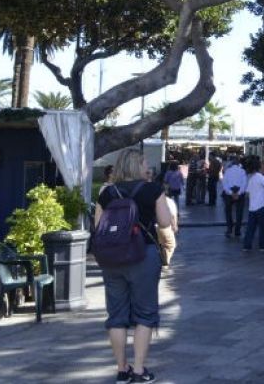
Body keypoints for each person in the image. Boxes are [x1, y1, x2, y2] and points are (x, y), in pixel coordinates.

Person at [95, 148, 172, 384]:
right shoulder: (152, 190)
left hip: (112, 258)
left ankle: (122, 370)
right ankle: (139, 370)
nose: (147, 167)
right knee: (145, 313)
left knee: (116, 315)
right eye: (144, 163)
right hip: (143, 255)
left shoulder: (107, 193)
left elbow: (98, 227)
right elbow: (165, 222)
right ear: (138, 166)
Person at [243, 160, 264, 252]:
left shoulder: (251, 178)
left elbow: (247, 194)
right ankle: (263, 246)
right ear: (260, 168)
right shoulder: (260, 177)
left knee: (250, 228)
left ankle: (247, 246)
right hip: (261, 206)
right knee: (263, 228)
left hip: (252, 207)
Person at [221, 157, 248, 238]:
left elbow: (224, 183)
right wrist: (238, 193)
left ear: (232, 163)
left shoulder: (227, 171)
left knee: (228, 211)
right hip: (240, 192)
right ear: (238, 163)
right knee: (239, 212)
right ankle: (237, 230)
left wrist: (230, 193)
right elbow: (244, 183)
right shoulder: (242, 171)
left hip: (229, 192)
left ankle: (229, 228)